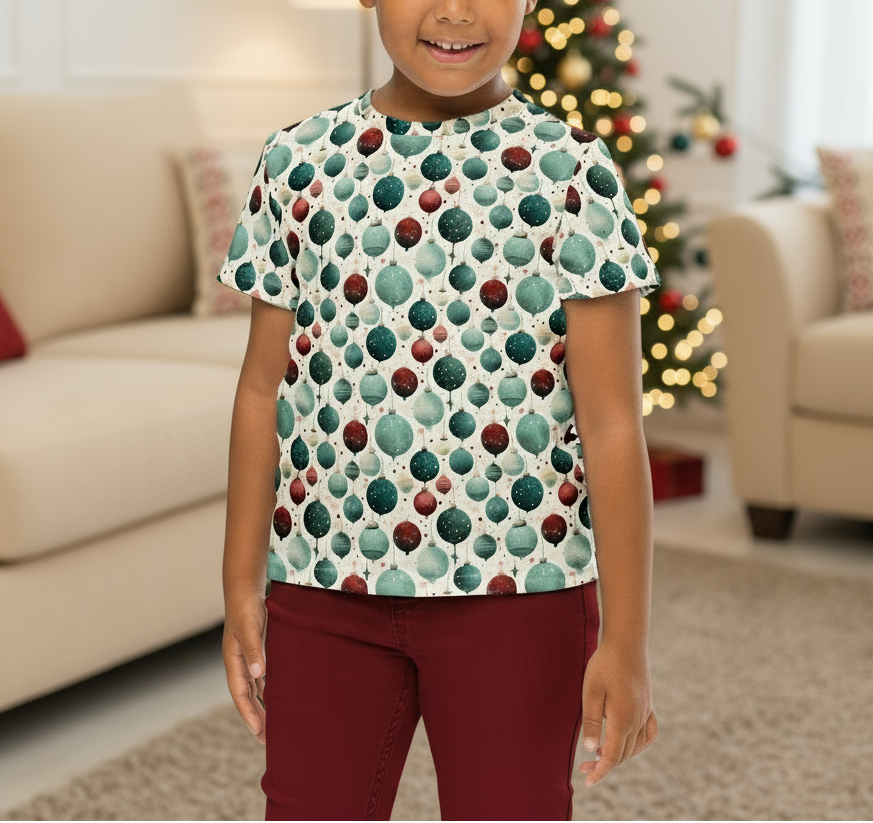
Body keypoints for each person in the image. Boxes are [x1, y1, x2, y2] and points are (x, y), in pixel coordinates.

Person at [217, 0, 660, 819]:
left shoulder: (570, 170)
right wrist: (241, 577)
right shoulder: (297, 162)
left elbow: (610, 423)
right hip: (322, 587)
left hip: (521, 595)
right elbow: (260, 390)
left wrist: (625, 644)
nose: (454, 10)